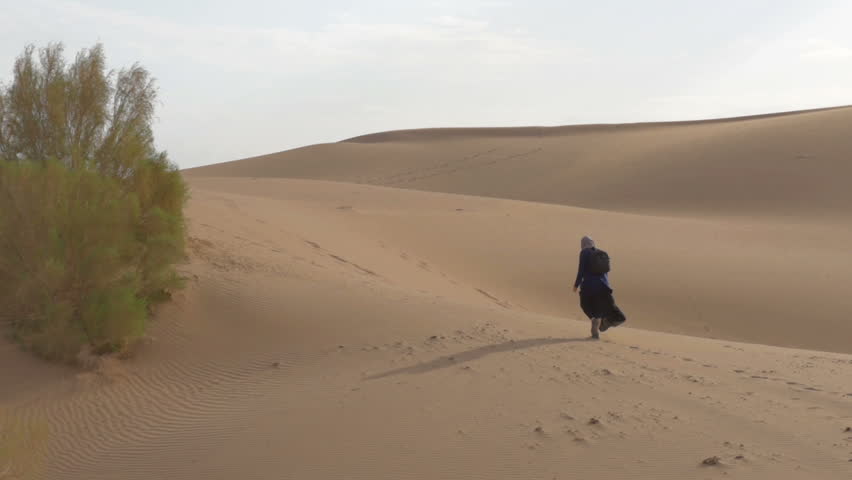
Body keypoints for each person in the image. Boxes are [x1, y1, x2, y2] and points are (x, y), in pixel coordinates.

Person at [572, 235, 616, 339]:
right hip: (603, 285)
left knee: (584, 304)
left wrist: (576, 285)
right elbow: (605, 271)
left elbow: (581, 270)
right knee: (597, 306)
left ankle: (594, 320)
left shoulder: (584, 253)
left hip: (589, 285)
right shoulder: (601, 253)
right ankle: (597, 319)